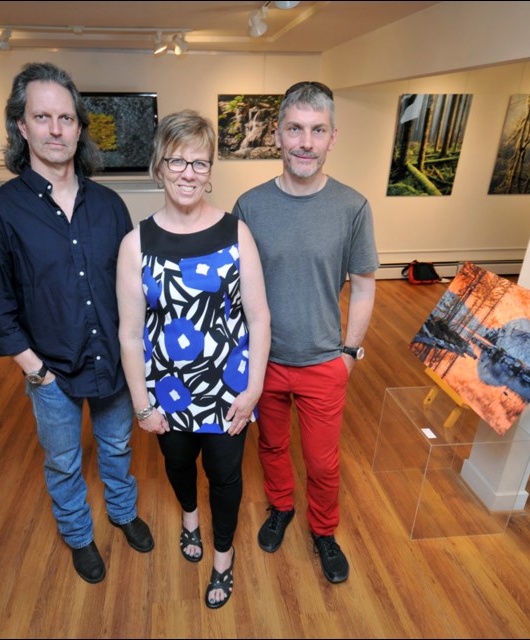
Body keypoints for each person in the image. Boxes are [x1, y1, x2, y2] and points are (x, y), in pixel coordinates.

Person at [0, 62, 153, 585]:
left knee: (117, 446)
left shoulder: (111, 206)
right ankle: (78, 536)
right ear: (21, 127)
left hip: (112, 362)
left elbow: (130, 287)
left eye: (66, 118)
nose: (55, 129)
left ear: (78, 127)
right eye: (42, 116)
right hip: (50, 371)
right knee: (66, 462)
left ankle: (122, 514)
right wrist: (36, 370)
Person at [116, 110, 270, 609]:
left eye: (200, 163)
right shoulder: (135, 244)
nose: (188, 173)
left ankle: (222, 558)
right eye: (178, 161)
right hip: (168, 394)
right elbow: (131, 333)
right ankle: (188, 514)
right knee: (179, 465)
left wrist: (252, 392)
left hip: (229, 392)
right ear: (159, 166)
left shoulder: (236, 234)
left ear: (211, 170)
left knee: (226, 478)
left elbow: (260, 318)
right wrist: (143, 405)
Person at [232, 81, 377, 585]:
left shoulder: (352, 207)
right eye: (295, 129)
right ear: (278, 133)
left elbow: (363, 288)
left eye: (317, 131)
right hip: (264, 361)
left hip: (322, 362)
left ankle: (324, 531)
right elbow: (233, 288)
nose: (305, 142)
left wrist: (349, 355)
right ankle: (280, 508)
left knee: (322, 460)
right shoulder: (249, 206)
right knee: (271, 447)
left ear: (333, 136)